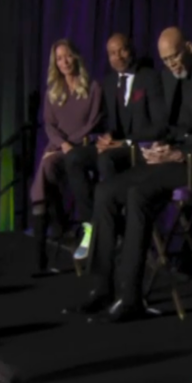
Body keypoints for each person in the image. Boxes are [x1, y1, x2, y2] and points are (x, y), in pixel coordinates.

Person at [67, 27, 192, 324]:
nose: (172, 65)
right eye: (166, 60)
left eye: (175, 57)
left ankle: (131, 297)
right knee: (106, 192)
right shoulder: (169, 76)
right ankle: (102, 286)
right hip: (171, 156)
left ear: (190, 47)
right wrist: (160, 145)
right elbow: (169, 126)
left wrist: (181, 151)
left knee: (138, 194)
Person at [65, 34, 167, 260]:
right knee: (74, 158)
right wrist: (106, 137)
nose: (118, 57)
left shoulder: (150, 78)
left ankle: (115, 228)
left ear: (132, 50)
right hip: (116, 146)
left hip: (141, 149)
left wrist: (124, 142)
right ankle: (93, 225)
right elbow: (109, 122)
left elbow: (160, 125)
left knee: (106, 160)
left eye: (122, 51)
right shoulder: (109, 82)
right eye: (112, 53)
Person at [31, 39, 103, 270]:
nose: (64, 62)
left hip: (82, 146)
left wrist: (70, 143)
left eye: (67, 56)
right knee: (46, 169)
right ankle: (59, 231)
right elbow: (49, 125)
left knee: (43, 177)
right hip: (58, 146)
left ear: (76, 57)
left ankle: (44, 250)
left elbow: (94, 122)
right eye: (59, 58)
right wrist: (62, 144)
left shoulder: (93, 87)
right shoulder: (52, 91)